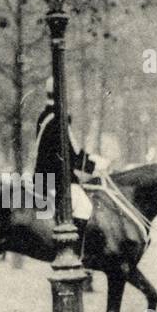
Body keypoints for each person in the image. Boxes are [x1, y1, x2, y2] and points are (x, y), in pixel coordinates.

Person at [33, 78, 95, 223]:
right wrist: (94, 166)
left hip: (43, 179)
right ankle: (74, 245)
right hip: (56, 181)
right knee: (85, 207)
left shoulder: (45, 116)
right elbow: (71, 153)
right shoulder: (59, 119)